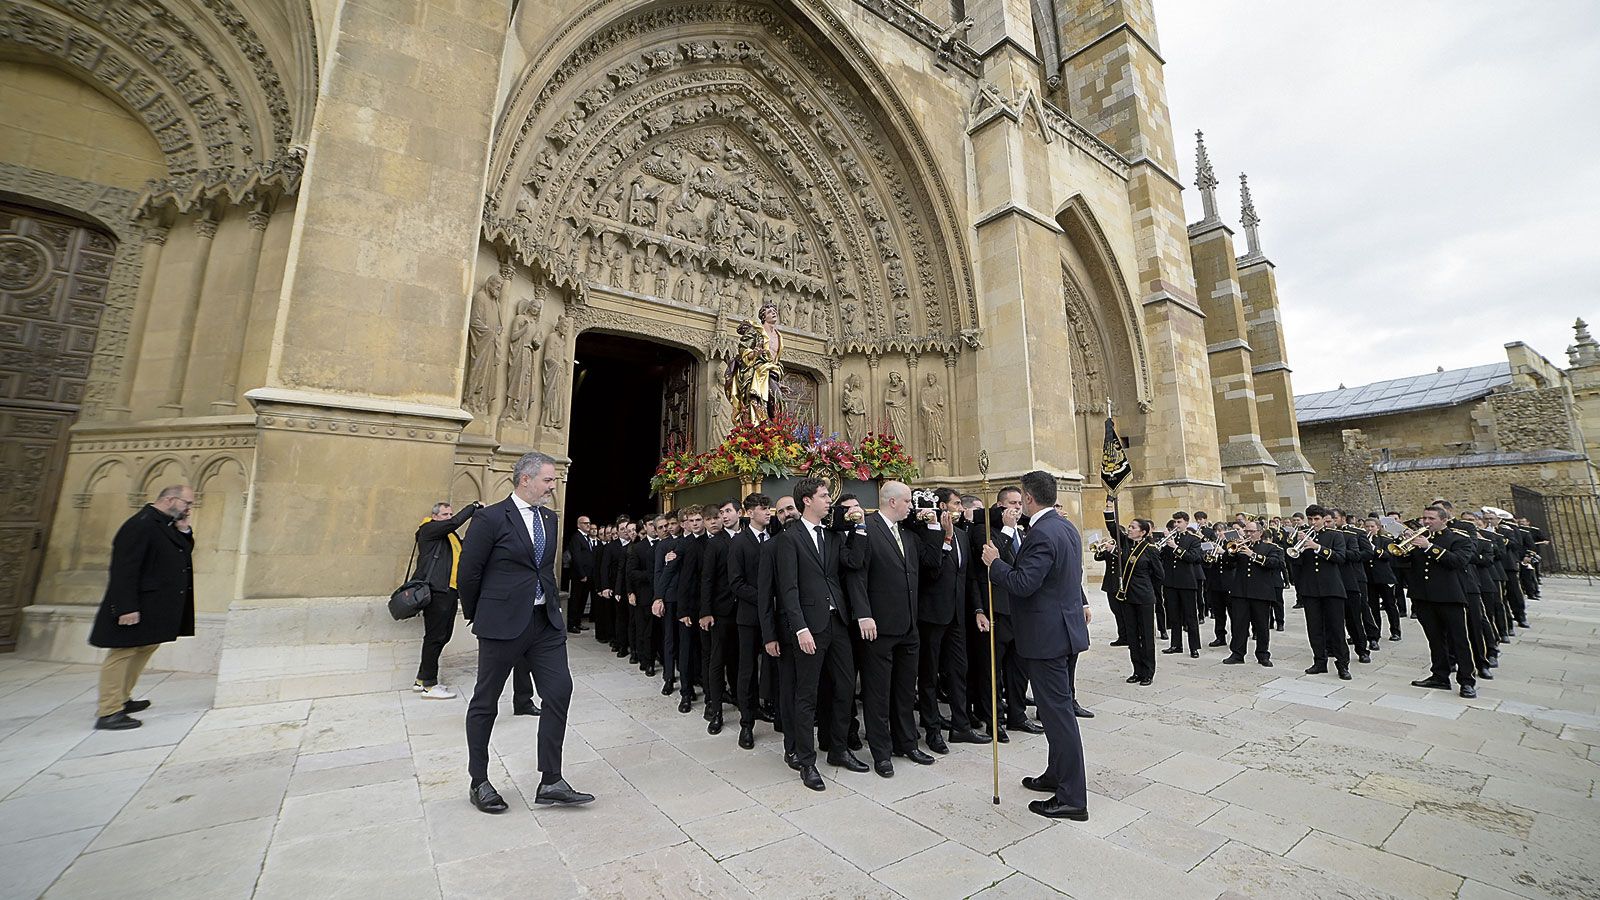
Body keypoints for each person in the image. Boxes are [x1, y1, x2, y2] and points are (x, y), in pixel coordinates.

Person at [459, 451, 591, 812]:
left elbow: (544, 570)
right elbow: (469, 572)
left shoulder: (549, 519)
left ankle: (551, 779)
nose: (553, 486)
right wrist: (480, 615)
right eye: (549, 480)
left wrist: (553, 610)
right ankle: (479, 780)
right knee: (486, 702)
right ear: (525, 480)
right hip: (501, 625)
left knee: (560, 690)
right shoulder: (489, 518)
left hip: (544, 624)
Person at [982, 471, 1090, 821]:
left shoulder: (1043, 532)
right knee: (1057, 712)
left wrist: (994, 564)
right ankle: (1056, 774)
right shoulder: (1064, 527)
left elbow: (1024, 583)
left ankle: (1072, 798)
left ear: (1029, 499)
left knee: (1058, 718)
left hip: (1047, 637)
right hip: (1061, 630)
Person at [773, 477, 868, 790]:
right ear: (807, 501)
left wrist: (859, 528)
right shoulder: (790, 538)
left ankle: (838, 749)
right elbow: (788, 589)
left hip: (837, 622)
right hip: (809, 627)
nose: (830, 501)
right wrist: (800, 628)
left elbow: (852, 562)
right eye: (825, 496)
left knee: (844, 687)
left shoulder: (831, 535)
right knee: (807, 695)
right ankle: (806, 760)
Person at [843, 481, 935, 777]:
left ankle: (906, 742)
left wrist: (933, 528)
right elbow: (856, 576)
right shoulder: (866, 529)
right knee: (878, 693)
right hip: (878, 626)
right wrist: (863, 615)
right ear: (892, 502)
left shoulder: (908, 535)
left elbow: (930, 565)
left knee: (906, 690)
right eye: (907, 501)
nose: (911, 506)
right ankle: (881, 752)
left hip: (908, 625)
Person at [88, 484, 197, 731]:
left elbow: (181, 553)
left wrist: (184, 530)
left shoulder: (164, 523)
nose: (189, 508)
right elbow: (124, 569)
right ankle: (108, 711)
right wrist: (126, 607)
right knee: (122, 652)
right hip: (135, 605)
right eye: (187, 503)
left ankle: (122, 698)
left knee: (145, 646)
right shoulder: (141, 524)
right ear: (170, 499)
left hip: (154, 605)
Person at [914, 488, 989, 752]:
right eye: (956, 504)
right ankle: (932, 729)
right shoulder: (925, 532)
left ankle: (961, 725)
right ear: (943, 507)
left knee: (959, 670)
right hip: (932, 615)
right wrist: (942, 535)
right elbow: (930, 571)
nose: (959, 508)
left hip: (958, 614)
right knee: (929, 674)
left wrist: (978, 609)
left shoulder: (962, 535)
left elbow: (968, 578)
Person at [972, 487, 1048, 739]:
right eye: (1011, 504)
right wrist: (1005, 529)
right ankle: (995, 720)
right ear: (1000, 506)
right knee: (993, 670)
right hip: (997, 609)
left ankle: (1017, 715)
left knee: (1019, 669)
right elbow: (994, 561)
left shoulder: (1024, 531)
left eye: (1019, 504)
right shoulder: (986, 529)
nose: (1017, 508)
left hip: (1020, 610)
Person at [1399, 505, 1478, 698]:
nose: (1426, 522)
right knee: (1434, 639)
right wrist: (1404, 549)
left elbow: (1457, 562)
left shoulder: (1459, 539)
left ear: (1444, 519)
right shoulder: (1419, 540)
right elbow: (1404, 565)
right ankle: (1440, 675)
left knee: (1459, 640)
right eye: (1424, 518)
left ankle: (1467, 680)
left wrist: (1429, 547)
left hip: (1449, 597)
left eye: (1431, 519)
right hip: (1424, 597)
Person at [412, 500, 482, 699]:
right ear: (435, 517)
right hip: (436, 591)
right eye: (444, 515)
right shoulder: (428, 529)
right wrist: (474, 507)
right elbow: (455, 523)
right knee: (435, 637)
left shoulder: (449, 536)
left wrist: (477, 522)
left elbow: (466, 547)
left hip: (449, 591)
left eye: (450, 514)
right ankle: (430, 685)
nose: (449, 518)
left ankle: (421, 679)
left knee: (442, 636)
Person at [728, 493, 778, 750]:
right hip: (749, 618)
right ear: (749, 512)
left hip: (774, 617)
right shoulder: (740, 542)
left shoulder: (774, 536)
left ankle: (769, 707)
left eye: (768, 508)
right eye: (762, 508)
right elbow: (736, 583)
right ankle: (746, 724)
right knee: (747, 670)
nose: (767, 512)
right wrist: (764, 598)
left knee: (773, 666)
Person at [1104, 500, 1162, 686]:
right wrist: (1109, 510)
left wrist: (1147, 588)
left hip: (1144, 598)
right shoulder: (1127, 545)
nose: (1129, 529)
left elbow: (1159, 575)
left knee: (1146, 635)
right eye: (1129, 526)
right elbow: (1113, 528)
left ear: (1143, 532)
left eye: (1133, 527)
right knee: (1132, 635)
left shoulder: (1150, 550)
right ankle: (1136, 670)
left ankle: (1148, 672)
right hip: (1127, 597)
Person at [1290, 506, 1350, 679]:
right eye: (1310, 519)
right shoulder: (1304, 536)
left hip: (1332, 588)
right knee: (1314, 628)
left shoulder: (1335, 536)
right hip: (1310, 589)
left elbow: (1340, 558)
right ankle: (1319, 662)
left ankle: (1342, 664)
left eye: (1316, 519)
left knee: (1336, 628)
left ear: (1325, 519)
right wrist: (1298, 546)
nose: (1312, 522)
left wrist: (1316, 547)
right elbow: (1296, 562)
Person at [699, 501, 739, 733]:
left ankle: (742, 701)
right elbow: (707, 580)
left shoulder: (747, 538)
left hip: (743, 612)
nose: (722, 517)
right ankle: (716, 710)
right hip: (720, 612)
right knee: (717, 661)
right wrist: (706, 612)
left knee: (740, 660)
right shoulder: (715, 544)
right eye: (720, 513)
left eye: (727, 512)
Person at [1222, 520, 1282, 666]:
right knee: (1238, 625)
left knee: (1261, 625)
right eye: (1246, 531)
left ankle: (1262, 655)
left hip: (1261, 592)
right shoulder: (1240, 547)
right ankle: (1237, 653)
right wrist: (1231, 552)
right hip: (1241, 591)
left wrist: (1252, 555)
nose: (1248, 534)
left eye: (1251, 532)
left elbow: (1275, 563)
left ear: (1260, 533)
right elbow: (1227, 563)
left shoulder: (1270, 548)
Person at [1160, 515, 1205, 657]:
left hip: (1187, 582)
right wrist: (1162, 544)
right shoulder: (1170, 539)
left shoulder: (1193, 540)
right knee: (1173, 616)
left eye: (1179, 522)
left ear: (1186, 523)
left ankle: (1194, 647)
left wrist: (1175, 547)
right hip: (1170, 582)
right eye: (1175, 522)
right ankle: (1176, 644)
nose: (1176, 524)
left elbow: (1194, 558)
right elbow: (1162, 558)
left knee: (1190, 616)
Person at [567, 514, 597, 636]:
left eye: (589, 523)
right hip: (580, 576)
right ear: (579, 525)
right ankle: (572, 624)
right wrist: (582, 574)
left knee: (583, 600)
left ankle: (578, 622)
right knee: (576, 599)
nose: (588, 525)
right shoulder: (577, 538)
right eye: (585, 523)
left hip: (588, 576)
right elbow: (577, 558)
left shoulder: (586, 538)